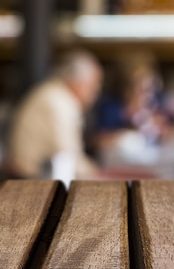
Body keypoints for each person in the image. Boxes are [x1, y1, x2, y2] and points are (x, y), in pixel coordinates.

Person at [7, 50, 103, 180]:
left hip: (32, 175)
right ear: (77, 82)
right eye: (92, 85)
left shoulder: (54, 93)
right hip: (31, 179)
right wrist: (100, 177)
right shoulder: (60, 101)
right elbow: (67, 154)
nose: (96, 92)